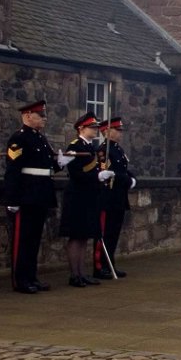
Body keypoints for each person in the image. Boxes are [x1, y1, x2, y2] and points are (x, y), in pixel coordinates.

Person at [2, 99, 60, 294]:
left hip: (40, 193)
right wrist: (12, 200)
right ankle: (21, 280)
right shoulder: (18, 139)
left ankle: (31, 276)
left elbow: (48, 167)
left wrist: (62, 162)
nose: (44, 118)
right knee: (23, 239)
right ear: (28, 116)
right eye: (40, 115)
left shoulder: (41, 139)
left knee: (35, 239)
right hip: (26, 194)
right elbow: (13, 171)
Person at [59, 114, 112, 288]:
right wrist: (97, 176)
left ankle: (82, 272)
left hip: (89, 196)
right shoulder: (75, 146)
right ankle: (75, 274)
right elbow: (76, 173)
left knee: (84, 237)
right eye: (92, 127)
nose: (95, 130)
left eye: (96, 127)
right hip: (77, 196)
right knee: (76, 236)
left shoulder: (91, 147)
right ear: (81, 128)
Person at [94, 116, 136, 279]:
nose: (120, 133)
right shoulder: (104, 150)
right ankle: (99, 266)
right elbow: (110, 174)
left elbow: (124, 169)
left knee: (114, 233)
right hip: (108, 197)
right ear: (106, 131)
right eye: (117, 130)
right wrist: (127, 180)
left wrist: (133, 178)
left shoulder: (118, 150)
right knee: (104, 233)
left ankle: (109, 263)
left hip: (119, 196)